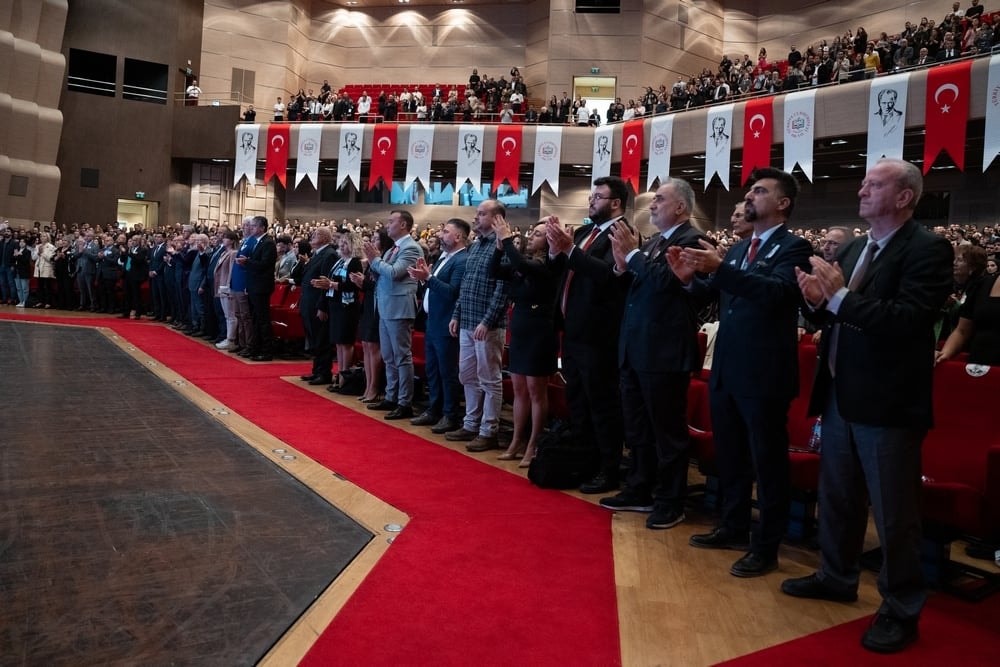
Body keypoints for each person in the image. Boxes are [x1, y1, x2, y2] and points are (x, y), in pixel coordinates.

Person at [784, 158, 953, 654]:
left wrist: (835, 301)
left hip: (887, 401)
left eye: (873, 185)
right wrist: (815, 301)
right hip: (840, 391)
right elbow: (835, 313)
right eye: (862, 182)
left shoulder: (928, 250)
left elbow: (905, 320)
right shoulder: (857, 245)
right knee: (838, 496)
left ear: (904, 197)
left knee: (894, 512)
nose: (861, 190)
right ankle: (836, 576)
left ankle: (901, 607)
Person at [669, 167, 813, 577]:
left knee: (766, 462)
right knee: (730, 455)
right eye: (749, 190)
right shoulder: (737, 250)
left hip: (764, 372)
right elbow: (714, 294)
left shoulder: (793, 248)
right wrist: (687, 282)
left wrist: (719, 268)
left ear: (782, 204)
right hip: (727, 368)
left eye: (760, 191)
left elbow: (777, 294)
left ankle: (766, 545)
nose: (748, 197)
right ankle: (732, 526)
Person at [599, 178, 708, 529]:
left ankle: (671, 500)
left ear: (681, 207)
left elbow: (666, 283)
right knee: (638, 428)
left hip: (664, 352)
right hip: (635, 348)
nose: (653, 204)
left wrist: (631, 255)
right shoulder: (656, 242)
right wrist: (621, 264)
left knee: (667, 432)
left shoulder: (692, 240)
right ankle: (640, 488)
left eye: (660, 199)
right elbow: (637, 285)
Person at [546, 177, 633, 494]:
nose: (591, 201)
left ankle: (608, 469)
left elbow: (609, 277)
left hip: (599, 335)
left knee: (602, 406)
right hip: (572, 331)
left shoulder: (623, 234)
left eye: (598, 197)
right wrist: (556, 252)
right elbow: (562, 271)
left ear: (615, 203)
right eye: (591, 196)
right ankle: (582, 461)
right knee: (578, 402)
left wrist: (570, 251)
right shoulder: (583, 233)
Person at [491, 217, 559, 466]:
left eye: (538, 234)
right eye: (532, 232)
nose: (531, 236)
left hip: (540, 330)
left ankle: (534, 443)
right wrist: (500, 246)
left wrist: (507, 238)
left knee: (535, 391)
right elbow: (495, 271)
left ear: (549, 239)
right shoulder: (525, 263)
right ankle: (517, 440)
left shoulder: (550, 264)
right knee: (519, 389)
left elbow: (519, 263)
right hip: (520, 326)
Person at [445, 200, 509, 451]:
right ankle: (471, 423)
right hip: (468, 321)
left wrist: (488, 321)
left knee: (489, 379)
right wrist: (457, 314)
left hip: (487, 325)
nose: (475, 217)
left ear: (496, 219)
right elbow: (466, 285)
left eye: (481, 214)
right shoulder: (475, 246)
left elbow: (503, 289)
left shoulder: (502, 245)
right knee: (468, 375)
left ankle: (489, 430)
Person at [407, 219, 469, 434]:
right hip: (433, 321)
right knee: (433, 369)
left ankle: (450, 414)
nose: (440, 235)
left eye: (445, 231)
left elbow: (453, 292)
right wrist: (424, 279)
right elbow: (434, 285)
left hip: (447, 323)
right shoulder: (444, 257)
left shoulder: (462, 259)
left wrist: (429, 278)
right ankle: (434, 409)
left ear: (458, 237)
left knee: (446, 371)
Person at [363, 210, 422, 420]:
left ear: (403, 225)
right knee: (388, 357)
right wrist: (372, 264)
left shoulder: (412, 248)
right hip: (385, 306)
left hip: (399, 308)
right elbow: (380, 272)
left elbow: (395, 273)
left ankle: (404, 401)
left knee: (401, 356)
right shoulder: (392, 249)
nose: (387, 225)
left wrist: (374, 260)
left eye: (391, 222)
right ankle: (391, 395)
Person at [314, 231, 364, 390]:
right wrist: (326, 284)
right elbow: (333, 279)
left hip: (347, 306)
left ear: (353, 245)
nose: (341, 246)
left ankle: (345, 378)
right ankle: (340, 375)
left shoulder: (355, 262)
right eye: (341, 243)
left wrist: (332, 285)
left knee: (346, 342)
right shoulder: (341, 261)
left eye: (345, 244)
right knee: (339, 343)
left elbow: (353, 285)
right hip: (335, 304)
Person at [351, 230, 390, 403]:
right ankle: (368, 385)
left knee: (373, 347)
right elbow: (370, 284)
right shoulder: (372, 261)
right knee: (366, 345)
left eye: (376, 239)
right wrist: (361, 281)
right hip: (367, 305)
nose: (372, 241)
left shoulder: (384, 260)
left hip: (378, 307)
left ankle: (375, 387)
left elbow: (381, 285)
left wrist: (364, 282)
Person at [298, 227, 338, 385]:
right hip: (308, 302)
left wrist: (322, 306)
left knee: (321, 339)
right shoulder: (318, 253)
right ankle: (316, 370)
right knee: (314, 339)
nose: (312, 237)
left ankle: (324, 373)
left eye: (316, 235)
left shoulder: (329, 254)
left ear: (325, 238)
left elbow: (324, 282)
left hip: (317, 303)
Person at [235, 215, 277, 361]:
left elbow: (265, 264)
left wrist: (247, 262)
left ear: (262, 228)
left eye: (253, 226)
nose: (250, 228)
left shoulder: (268, 243)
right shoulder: (258, 242)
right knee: (255, 319)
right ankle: (256, 347)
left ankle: (267, 351)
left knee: (263, 319)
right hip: (254, 285)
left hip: (261, 286)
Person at [213, 230, 239, 350]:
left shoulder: (233, 253)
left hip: (227, 286)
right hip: (221, 285)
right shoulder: (224, 253)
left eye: (226, 238)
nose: (223, 240)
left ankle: (231, 339)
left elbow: (231, 271)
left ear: (232, 240)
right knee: (226, 314)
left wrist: (229, 286)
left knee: (230, 315)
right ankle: (228, 338)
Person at [31, 232, 56, 309]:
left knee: (47, 286)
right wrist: (38, 252)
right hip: (39, 268)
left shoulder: (51, 247)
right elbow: (33, 258)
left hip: (47, 268)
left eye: (44, 236)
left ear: (47, 238)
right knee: (40, 286)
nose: (42, 238)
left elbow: (50, 258)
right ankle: (40, 301)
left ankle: (48, 302)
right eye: (41, 236)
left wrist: (42, 253)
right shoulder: (38, 246)